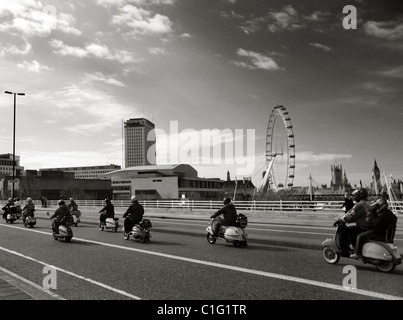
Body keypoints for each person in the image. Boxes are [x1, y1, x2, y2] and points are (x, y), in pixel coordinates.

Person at [336, 188, 373, 259]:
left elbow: (351, 215)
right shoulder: (368, 203)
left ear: (359, 196)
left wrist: (341, 220)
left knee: (343, 229)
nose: (354, 197)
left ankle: (344, 250)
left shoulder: (360, 205)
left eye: (355, 195)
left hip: (364, 227)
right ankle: (354, 246)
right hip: (369, 226)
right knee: (353, 229)